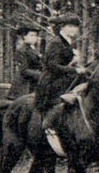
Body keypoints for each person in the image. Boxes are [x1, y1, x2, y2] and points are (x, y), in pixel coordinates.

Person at [37, 13, 86, 155]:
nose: (74, 30)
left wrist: (77, 66)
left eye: (75, 27)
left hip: (65, 78)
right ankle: (49, 125)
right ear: (62, 28)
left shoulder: (69, 43)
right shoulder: (56, 42)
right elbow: (51, 65)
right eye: (70, 27)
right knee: (63, 102)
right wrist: (74, 69)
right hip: (51, 82)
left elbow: (65, 64)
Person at [9, 23, 43, 99]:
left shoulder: (34, 49)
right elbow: (24, 70)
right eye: (31, 35)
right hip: (25, 83)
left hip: (35, 80)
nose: (34, 38)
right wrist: (40, 75)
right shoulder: (21, 50)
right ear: (25, 37)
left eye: (35, 35)